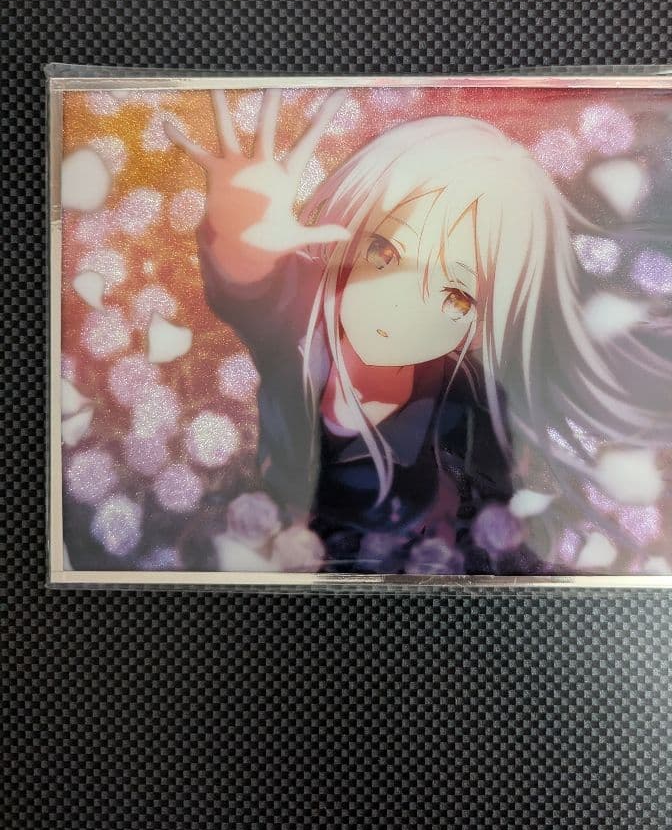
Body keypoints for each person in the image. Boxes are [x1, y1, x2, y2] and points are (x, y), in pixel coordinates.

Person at [165, 89, 626, 573]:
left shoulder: (467, 400)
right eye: (384, 253)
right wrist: (240, 232)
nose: (400, 303)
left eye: (455, 296)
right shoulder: (307, 316)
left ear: (479, 325)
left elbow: (497, 523)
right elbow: (256, 286)